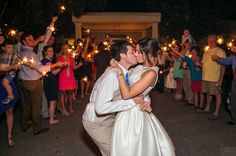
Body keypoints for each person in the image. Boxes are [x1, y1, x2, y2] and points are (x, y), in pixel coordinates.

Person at [82, 40, 151, 156]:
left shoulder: (127, 72)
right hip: (97, 122)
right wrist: (130, 102)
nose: (135, 54)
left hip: (111, 119)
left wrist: (146, 101)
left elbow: (139, 89)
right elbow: (100, 108)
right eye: (132, 52)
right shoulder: (112, 76)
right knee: (117, 152)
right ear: (123, 56)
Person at [109, 37, 175, 156]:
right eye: (135, 51)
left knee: (133, 149)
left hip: (134, 115)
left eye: (139, 51)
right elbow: (130, 82)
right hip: (127, 109)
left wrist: (118, 71)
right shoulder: (139, 67)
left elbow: (127, 93)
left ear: (148, 53)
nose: (135, 54)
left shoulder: (151, 73)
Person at [18, 32, 64, 135]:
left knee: (27, 105)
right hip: (33, 82)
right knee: (36, 106)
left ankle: (24, 124)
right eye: (29, 40)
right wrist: (57, 64)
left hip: (24, 81)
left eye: (32, 38)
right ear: (24, 42)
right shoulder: (32, 54)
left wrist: (38, 39)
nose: (32, 40)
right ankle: (37, 128)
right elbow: (41, 68)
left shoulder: (21, 51)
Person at [201, 35, 226, 119]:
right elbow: (203, 64)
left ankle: (216, 112)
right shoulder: (206, 52)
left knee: (217, 94)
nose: (210, 42)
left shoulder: (220, 51)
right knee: (208, 93)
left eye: (212, 41)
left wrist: (221, 79)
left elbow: (223, 66)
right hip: (205, 77)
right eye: (209, 41)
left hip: (214, 77)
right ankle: (207, 108)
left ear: (215, 41)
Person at [212, 41, 236, 124]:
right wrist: (217, 58)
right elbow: (225, 61)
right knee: (233, 100)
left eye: (233, 46)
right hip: (235, 80)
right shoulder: (233, 56)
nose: (232, 47)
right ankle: (234, 118)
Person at [0, 63, 20, 147]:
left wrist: (15, 66)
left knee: (10, 111)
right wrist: (12, 66)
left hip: (7, 82)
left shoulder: (10, 56)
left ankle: (9, 136)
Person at [41, 45, 60, 124]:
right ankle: (51, 119)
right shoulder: (46, 61)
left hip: (50, 81)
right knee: (52, 100)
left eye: (52, 50)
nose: (51, 52)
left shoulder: (48, 60)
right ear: (45, 52)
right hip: (49, 82)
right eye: (49, 51)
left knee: (52, 100)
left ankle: (52, 114)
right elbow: (55, 72)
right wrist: (61, 65)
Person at [0, 40, 20, 104]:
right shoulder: (2, 55)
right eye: (8, 47)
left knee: (5, 81)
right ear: (3, 48)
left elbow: (20, 62)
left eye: (12, 47)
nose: (11, 49)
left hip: (11, 73)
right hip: (3, 73)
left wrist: (17, 65)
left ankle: (10, 95)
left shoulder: (15, 55)